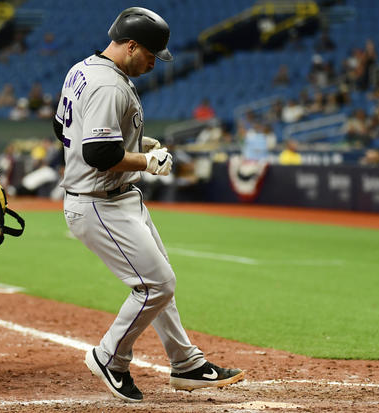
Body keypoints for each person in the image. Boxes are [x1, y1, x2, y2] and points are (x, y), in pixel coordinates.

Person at [53, 6, 244, 403]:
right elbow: (99, 154)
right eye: (151, 54)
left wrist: (137, 144)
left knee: (160, 280)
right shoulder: (110, 85)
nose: (155, 62)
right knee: (156, 284)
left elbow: (63, 126)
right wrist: (145, 161)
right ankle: (111, 356)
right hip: (99, 201)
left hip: (117, 198)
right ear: (130, 44)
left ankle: (186, 363)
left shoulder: (84, 69)